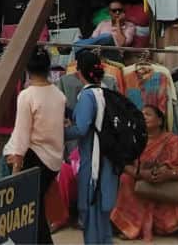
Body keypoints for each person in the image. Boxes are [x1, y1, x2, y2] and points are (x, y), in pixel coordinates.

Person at [111, 106, 178, 242]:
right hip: (142, 181)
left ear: (160, 121)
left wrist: (168, 174)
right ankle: (129, 225)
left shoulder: (172, 140)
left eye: (148, 115)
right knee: (125, 178)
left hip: (168, 184)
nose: (143, 118)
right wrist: (141, 173)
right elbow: (124, 164)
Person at [3, 47, 66, 245]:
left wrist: (16, 166)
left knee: (28, 211)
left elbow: (22, 133)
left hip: (30, 157)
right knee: (34, 209)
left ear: (27, 69)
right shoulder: (58, 95)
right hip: (53, 160)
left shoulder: (27, 96)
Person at [65, 51, 119, 245]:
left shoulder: (88, 95)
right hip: (107, 160)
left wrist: (57, 134)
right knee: (102, 216)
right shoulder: (106, 91)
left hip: (94, 163)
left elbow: (81, 128)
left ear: (80, 71)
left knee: (90, 211)